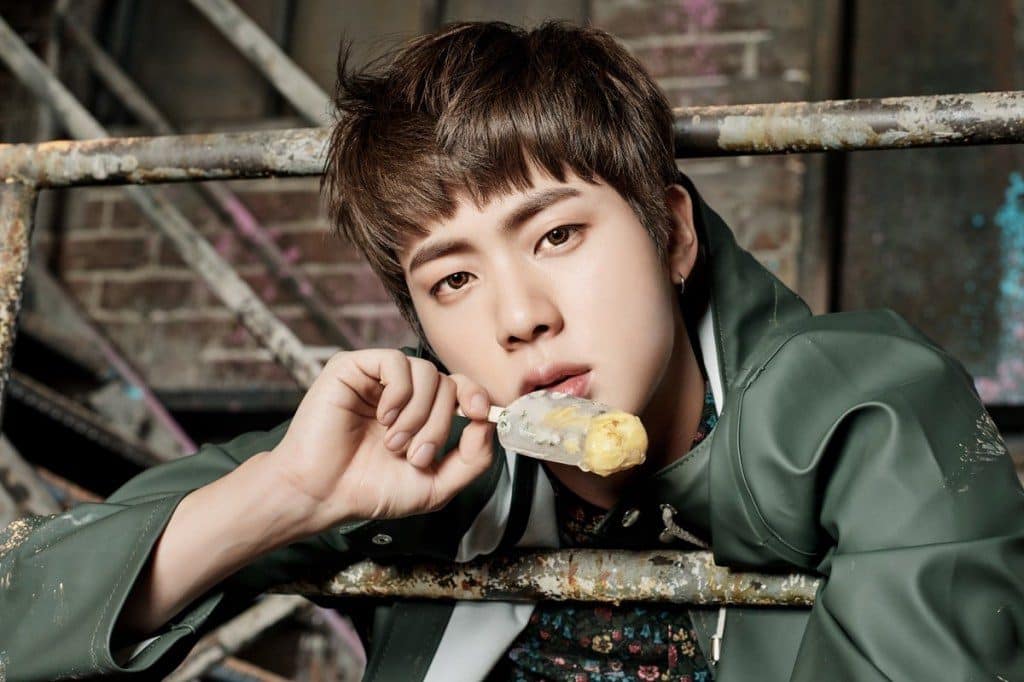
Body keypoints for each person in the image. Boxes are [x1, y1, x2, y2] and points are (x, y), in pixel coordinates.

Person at [1, 20, 1023, 682]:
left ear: (672, 234)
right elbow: (17, 620)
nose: (519, 316)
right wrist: (287, 496)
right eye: (452, 280)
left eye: (558, 235)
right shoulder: (419, 453)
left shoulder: (865, 409)